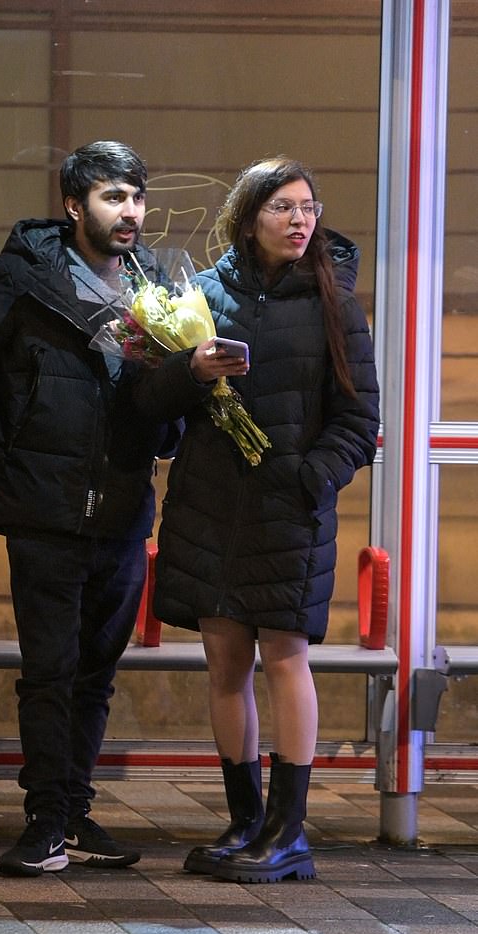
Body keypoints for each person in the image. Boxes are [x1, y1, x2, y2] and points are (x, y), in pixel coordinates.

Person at [0, 140, 201, 877]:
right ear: (75, 206)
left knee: (94, 674)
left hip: (120, 503)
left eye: (138, 196)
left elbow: (163, 390)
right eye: (114, 196)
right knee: (50, 669)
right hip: (42, 504)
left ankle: (74, 811)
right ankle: (43, 819)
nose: (131, 210)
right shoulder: (24, 273)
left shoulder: (158, 284)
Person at [152, 156, 380, 883]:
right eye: (283, 206)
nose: (300, 219)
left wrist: (309, 479)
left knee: (285, 656)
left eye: (308, 206)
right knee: (224, 661)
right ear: (249, 218)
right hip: (211, 505)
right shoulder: (203, 295)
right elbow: (156, 400)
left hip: (290, 509)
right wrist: (189, 372)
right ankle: (245, 820)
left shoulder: (334, 302)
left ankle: (289, 832)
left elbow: (359, 418)